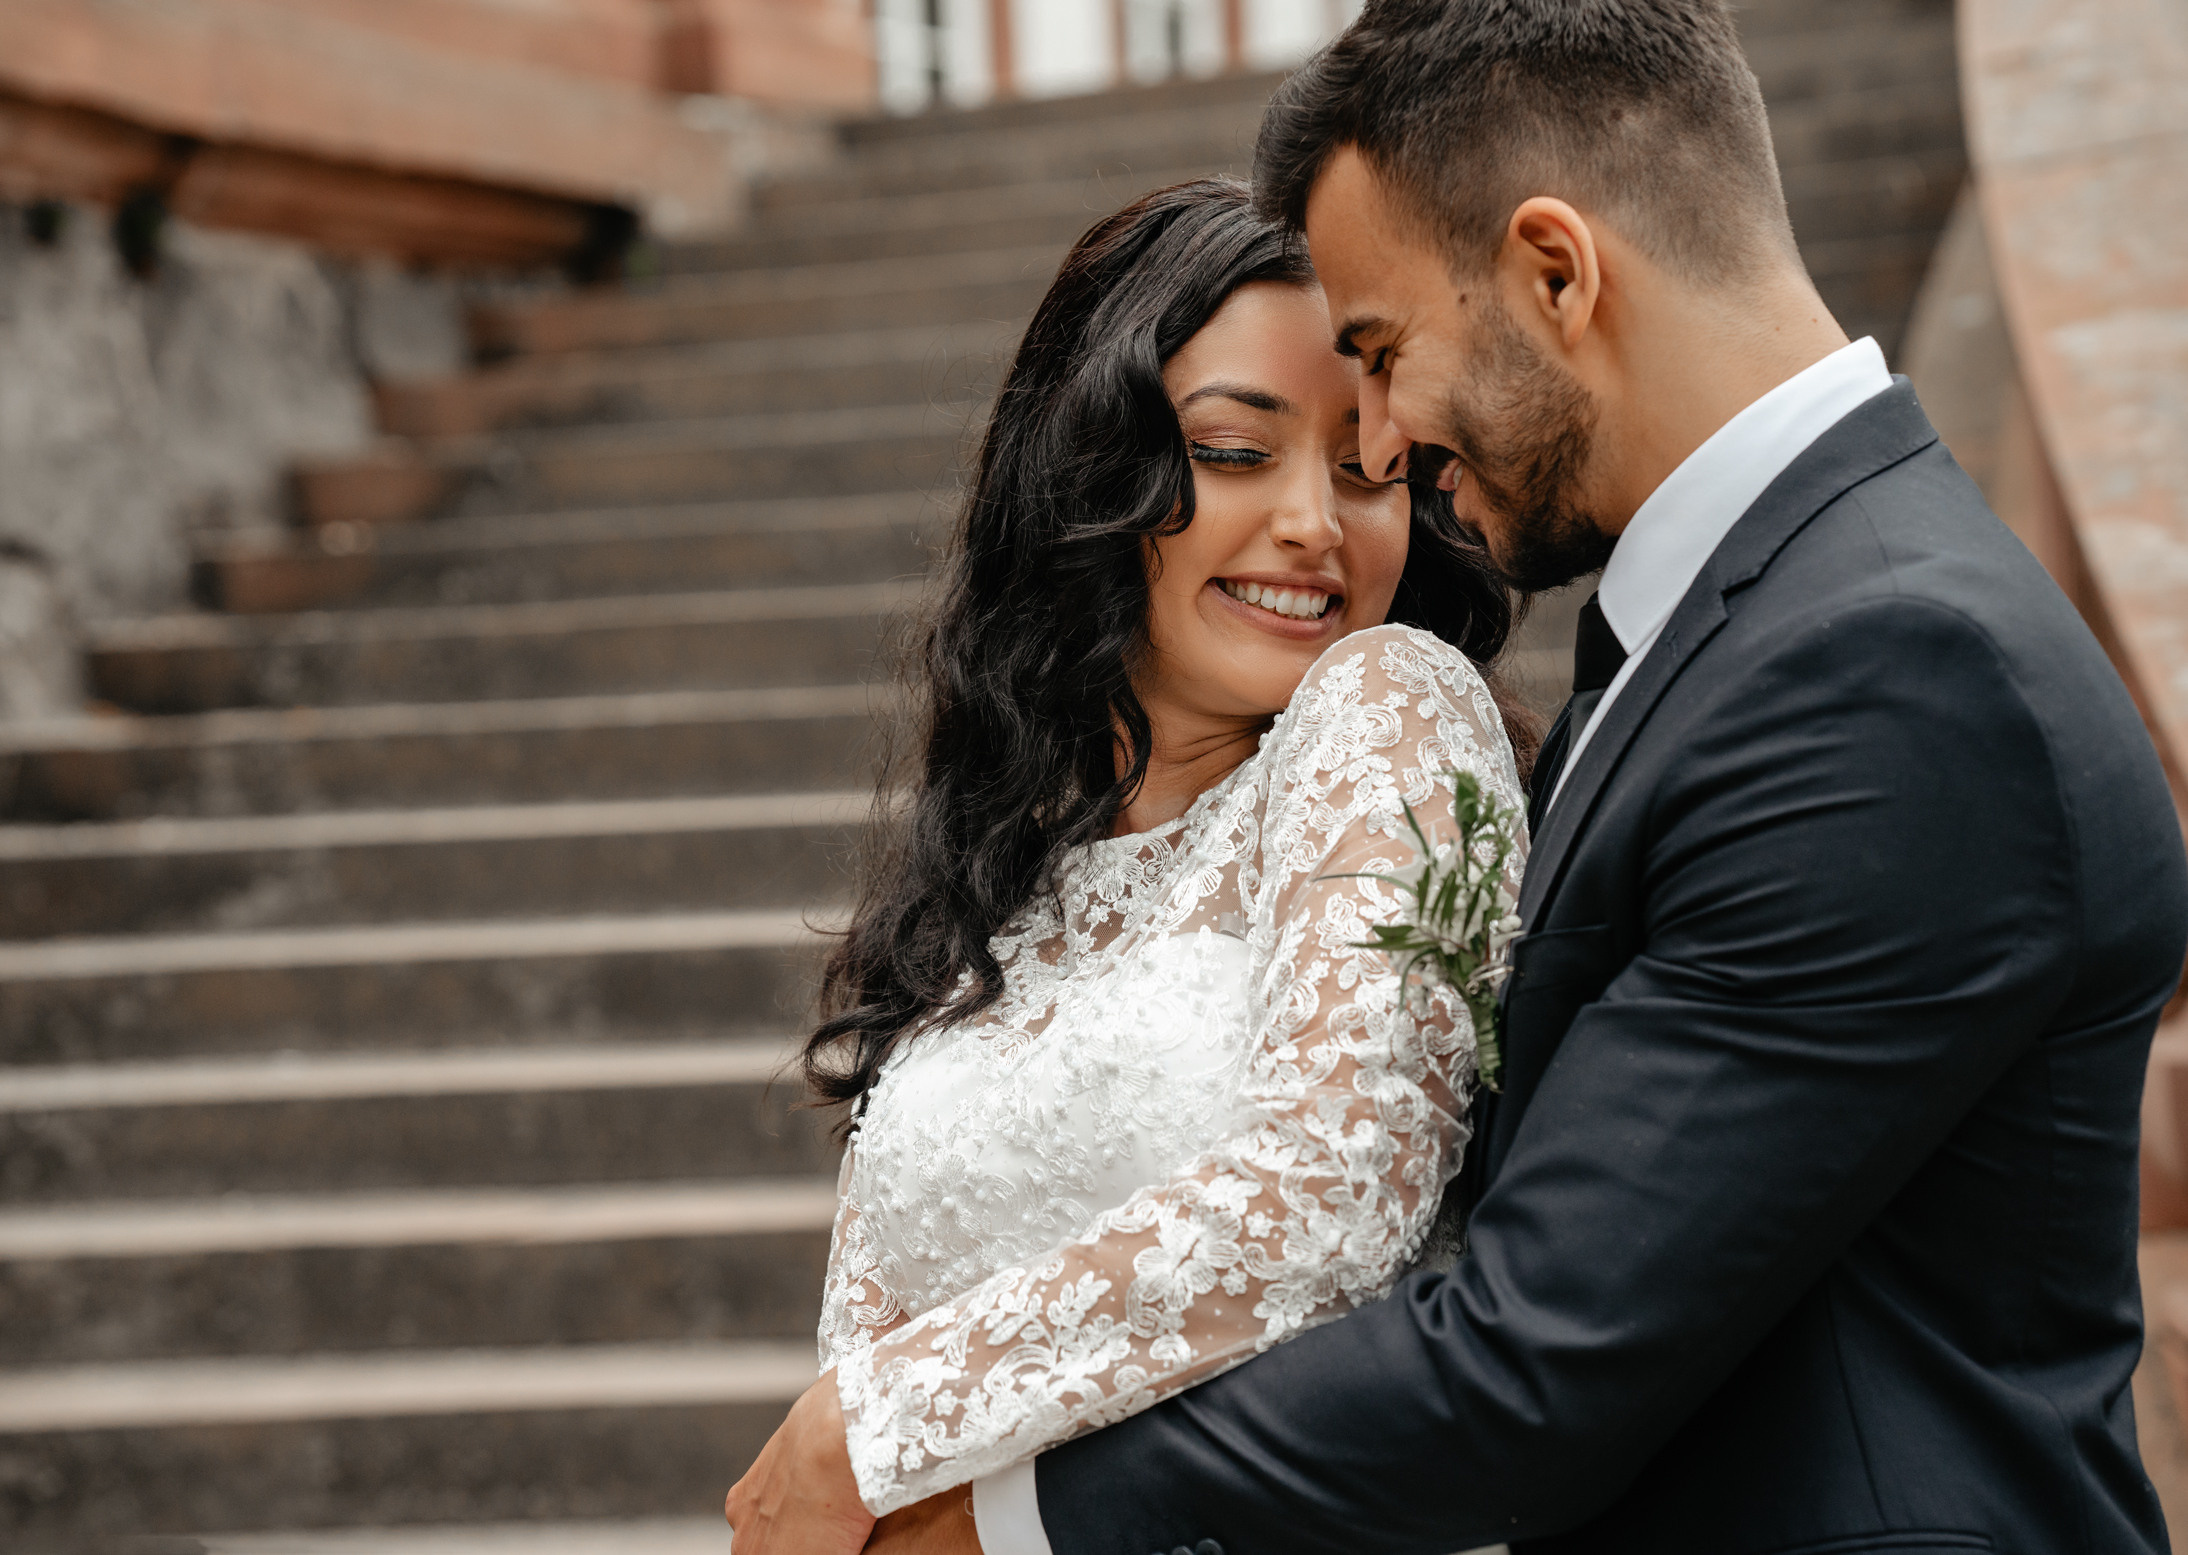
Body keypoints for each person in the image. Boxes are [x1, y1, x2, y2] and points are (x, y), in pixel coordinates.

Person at [732, 1, 2188, 1552]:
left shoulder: (1894, 667)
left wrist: (971, 1506)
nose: (1384, 449)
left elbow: (1535, 1344)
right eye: (1253, 443)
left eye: (1377, 359)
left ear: (1556, 272)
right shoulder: (1744, 629)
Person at [726, 178, 1538, 1552]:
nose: (1314, 526)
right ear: (1093, 477)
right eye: (1234, 452)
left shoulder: (1390, 709)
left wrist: (866, 1423)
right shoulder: (1001, 874)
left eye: (1367, 467)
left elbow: (1336, 1188)